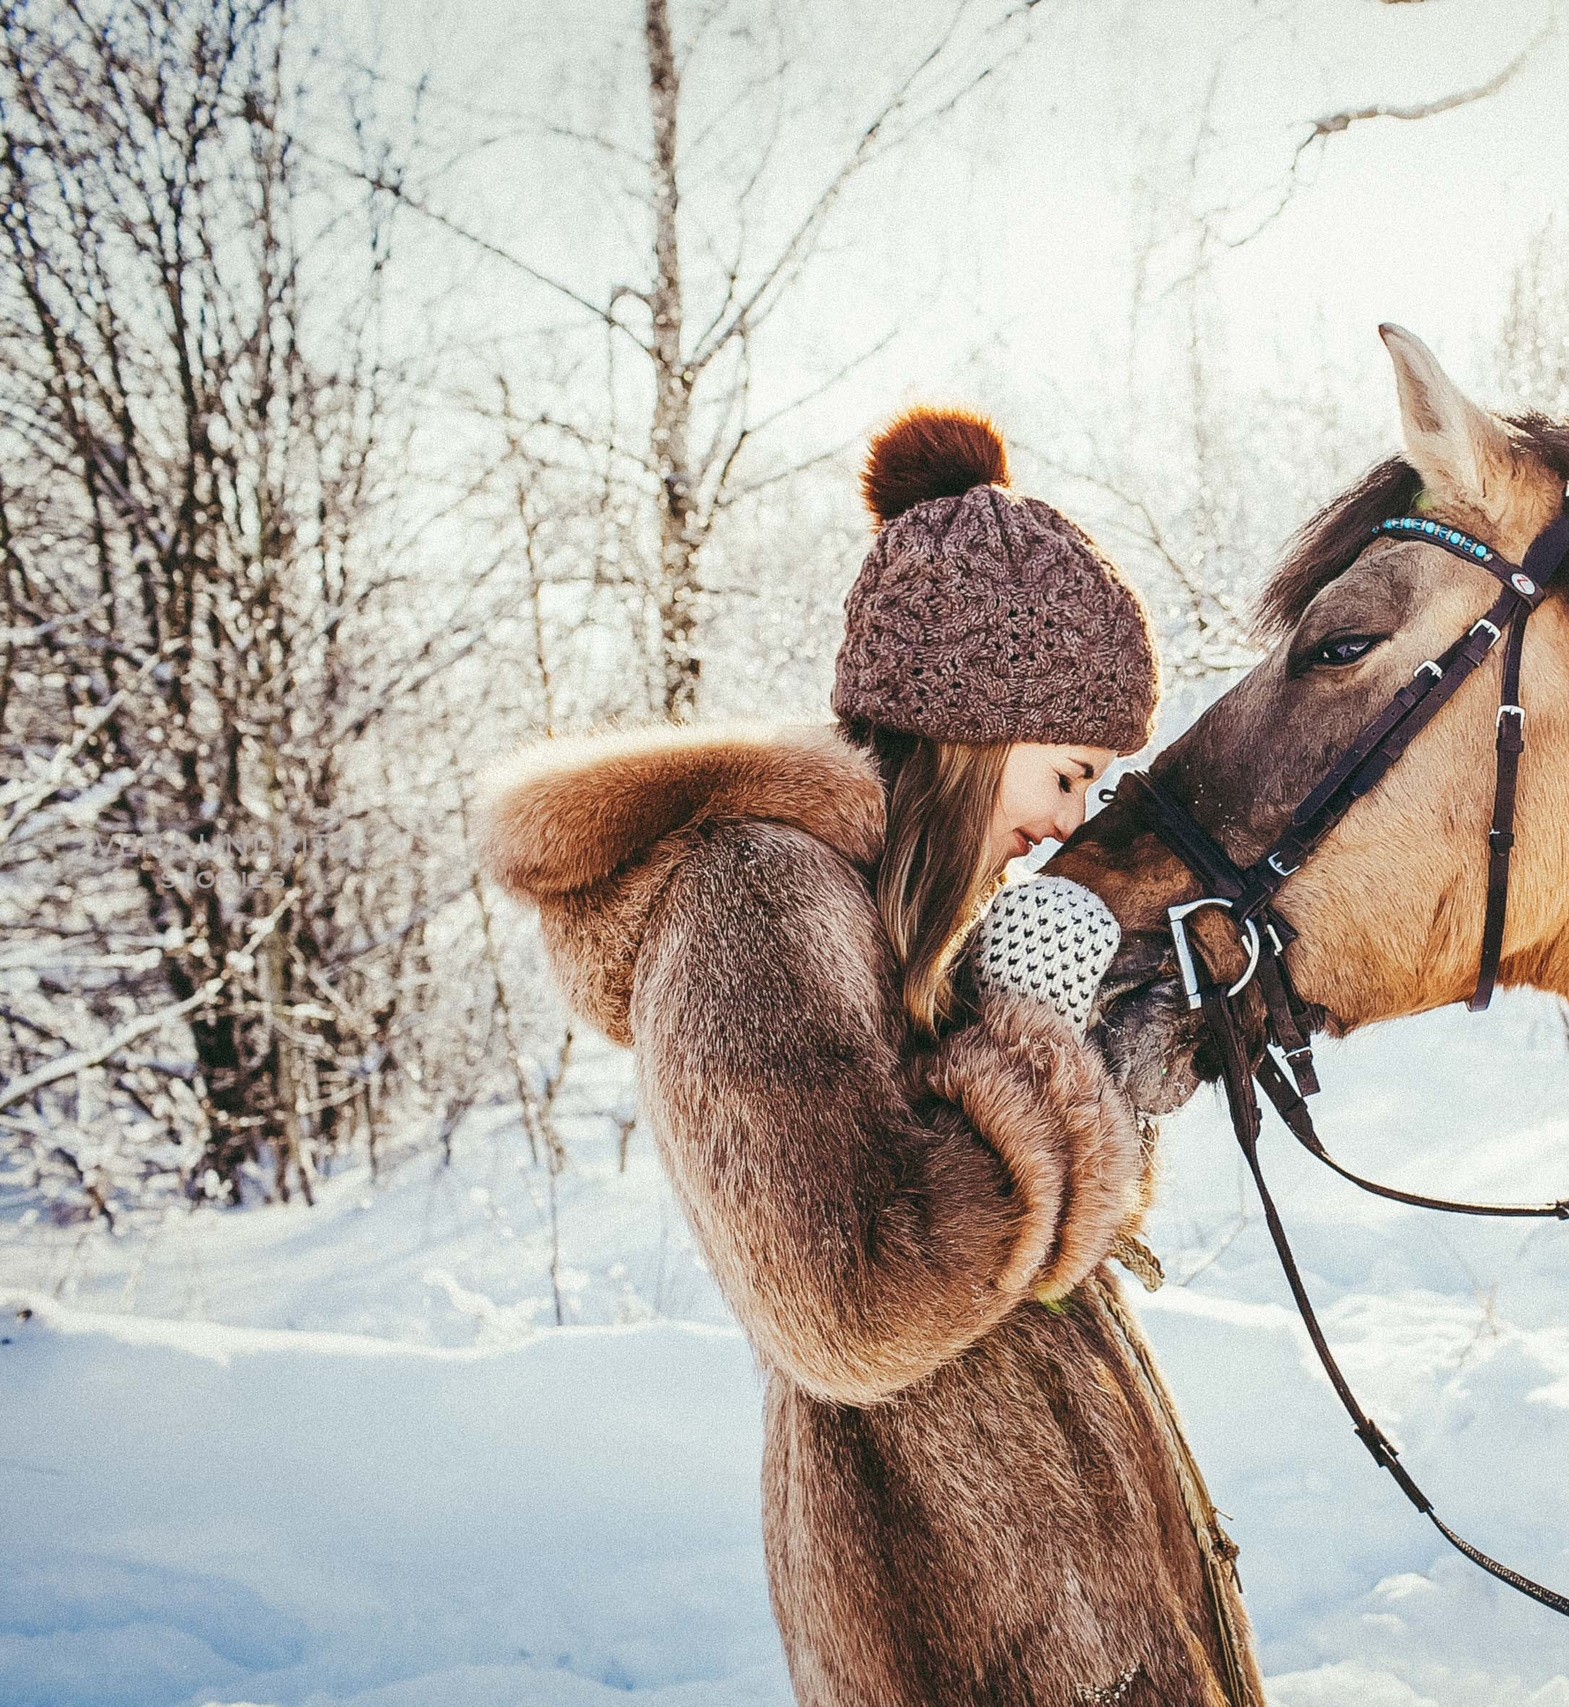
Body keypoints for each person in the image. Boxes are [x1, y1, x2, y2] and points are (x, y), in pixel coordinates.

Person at [475, 409, 1257, 1707]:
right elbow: (850, 1301)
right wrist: (1054, 1063)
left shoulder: (876, 912)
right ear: (973, 723)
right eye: (1065, 774)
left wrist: (1112, 1066)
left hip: (1081, 1640)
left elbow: (1005, 1256)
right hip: (971, 1650)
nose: (1067, 822)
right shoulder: (753, 902)